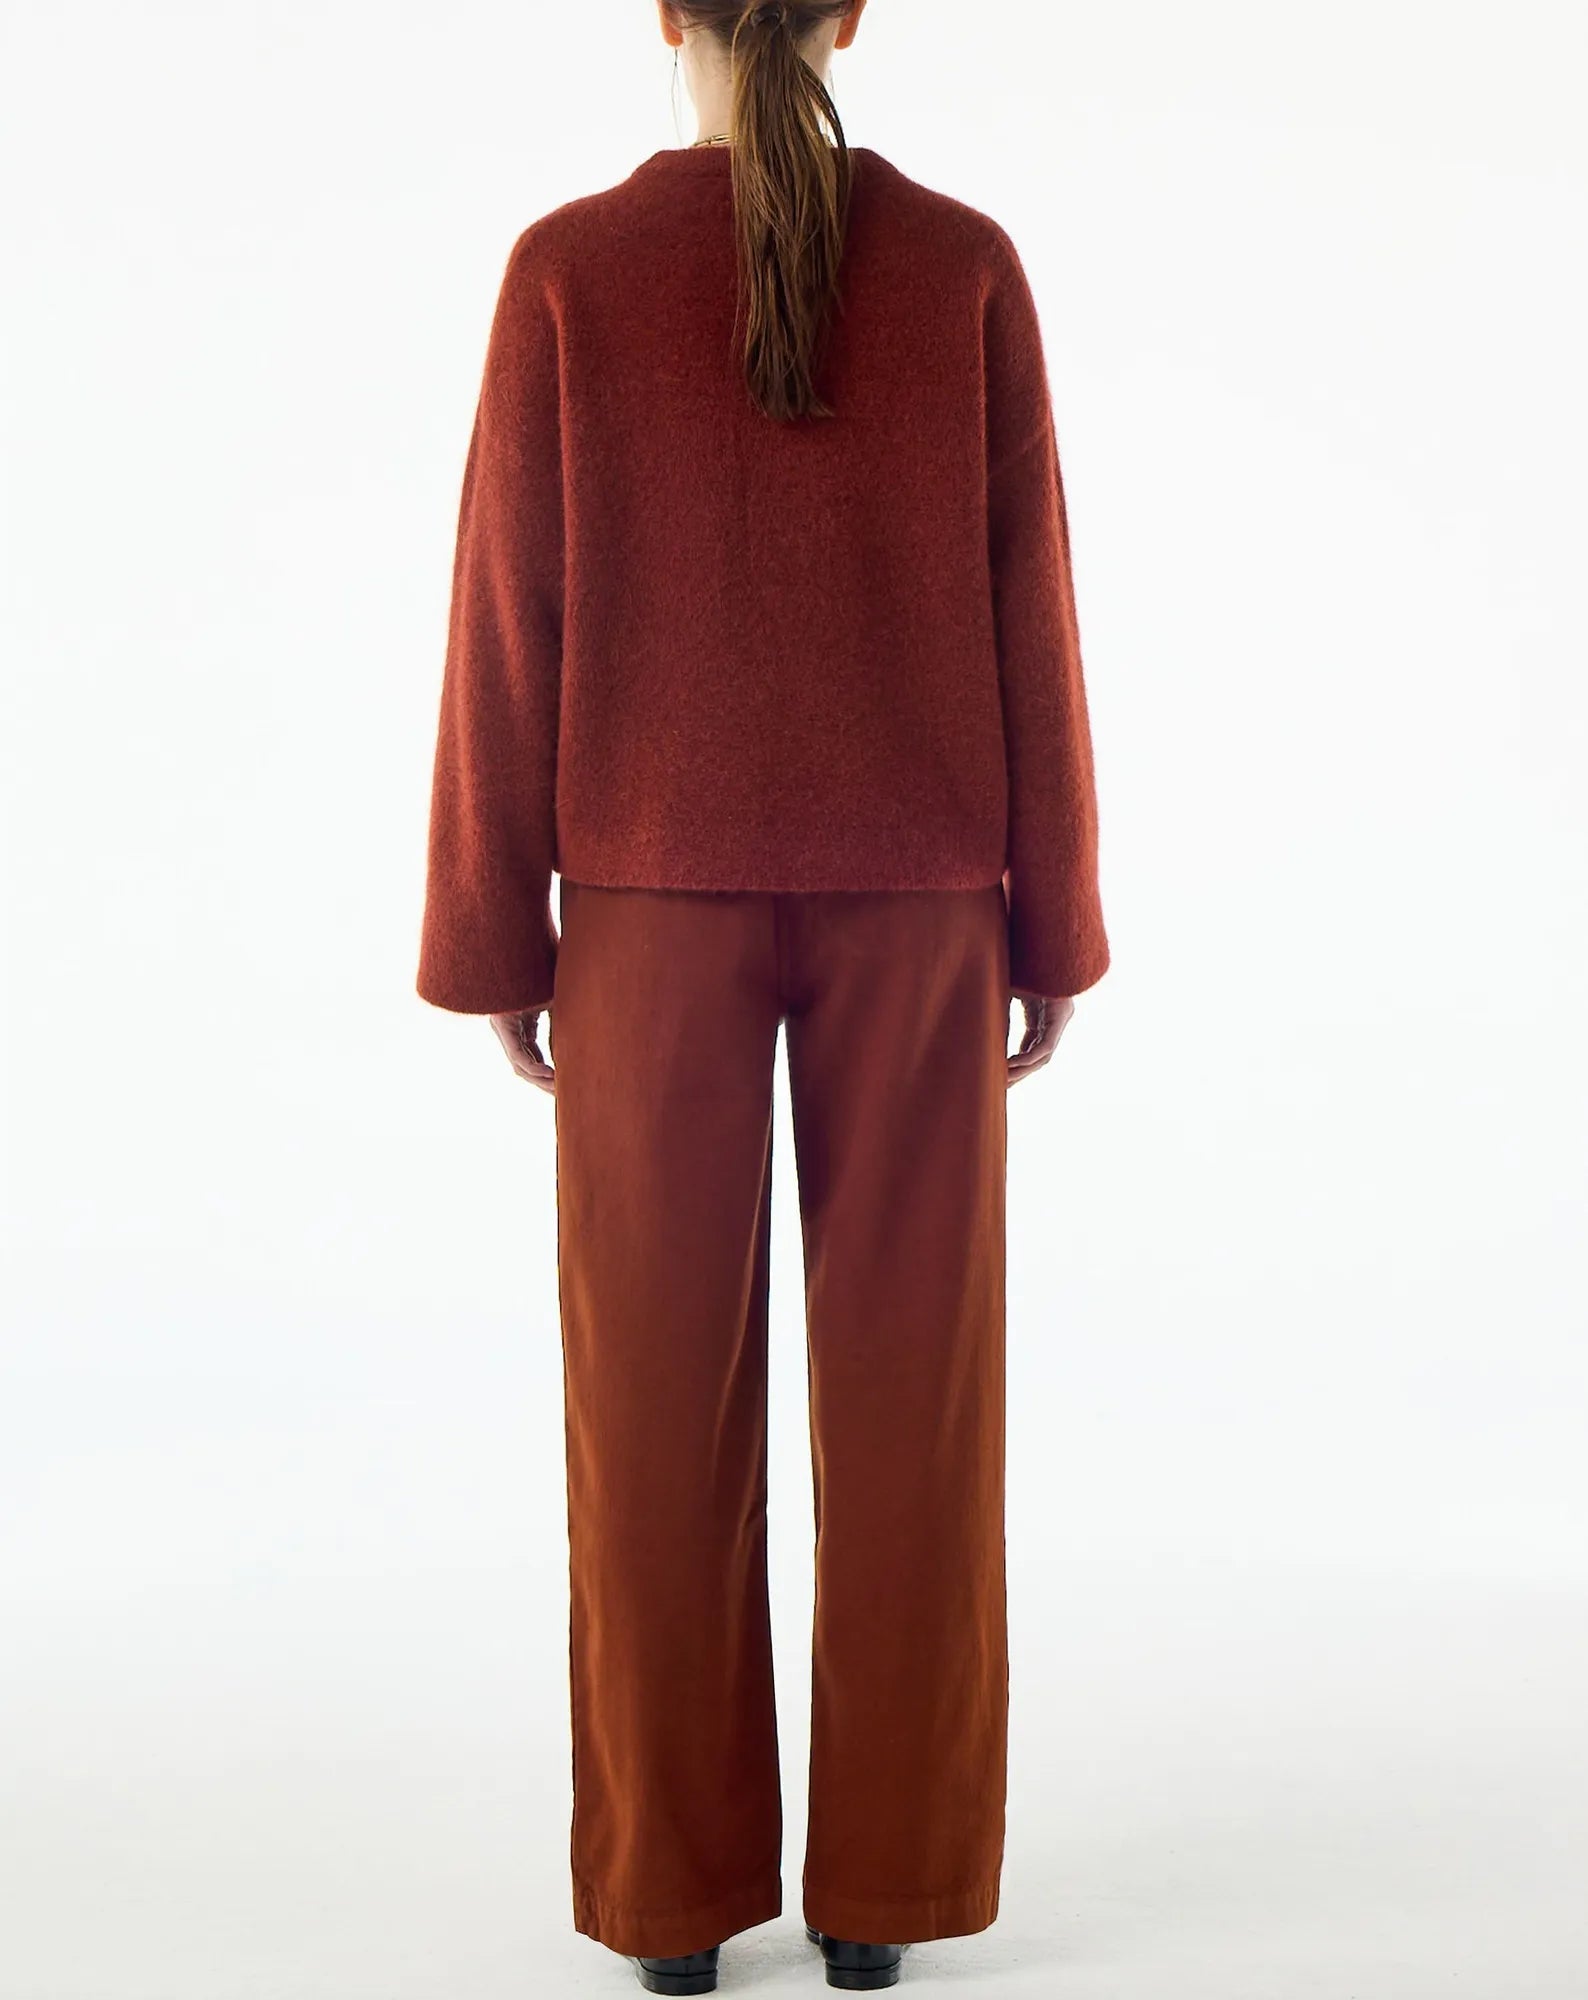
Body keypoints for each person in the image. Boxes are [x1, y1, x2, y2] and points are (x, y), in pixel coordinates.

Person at [415, 0, 1110, 1990]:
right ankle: (887, 1893)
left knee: (646, 1415)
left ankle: (670, 1904)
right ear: (851, 14)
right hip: (922, 911)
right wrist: (1049, 924)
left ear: (665, 12)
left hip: (647, 914)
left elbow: (508, 616)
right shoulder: (962, 267)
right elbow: (1030, 607)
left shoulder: (567, 271)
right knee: (916, 1408)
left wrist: (495, 935)